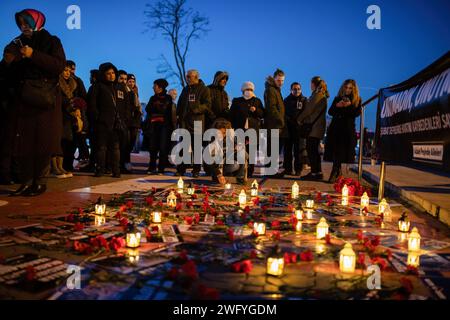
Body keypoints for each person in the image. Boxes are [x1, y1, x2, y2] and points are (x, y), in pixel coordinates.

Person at [1, 9, 66, 196]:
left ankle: (40, 182)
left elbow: (58, 65)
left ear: (36, 21)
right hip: (22, 100)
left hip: (43, 101)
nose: (23, 26)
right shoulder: (16, 43)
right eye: (20, 23)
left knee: (42, 143)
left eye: (27, 22)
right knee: (23, 145)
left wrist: (32, 54)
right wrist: (8, 61)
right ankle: (27, 181)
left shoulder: (51, 41)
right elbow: (7, 68)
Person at [89, 62, 129, 178]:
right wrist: (97, 118)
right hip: (103, 123)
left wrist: (125, 118)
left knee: (115, 148)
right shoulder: (98, 86)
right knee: (102, 147)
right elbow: (92, 105)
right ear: (103, 74)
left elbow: (127, 105)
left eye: (113, 73)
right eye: (108, 73)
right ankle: (100, 169)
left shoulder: (120, 87)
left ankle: (116, 170)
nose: (111, 75)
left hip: (118, 123)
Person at [176, 69, 213, 177]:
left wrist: (196, 110)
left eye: (189, 77)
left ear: (196, 77)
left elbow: (207, 105)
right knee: (184, 146)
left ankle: (196, 170)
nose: (187, 78)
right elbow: (180, 103)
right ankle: (181, 169)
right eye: (187, 76)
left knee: (196, 147)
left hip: (197, 122)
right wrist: (178, 115)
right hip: (185, 122)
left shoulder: (204, 89)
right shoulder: (186, 89)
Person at [324, 79, 362, 183]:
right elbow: (330, 111)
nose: (348, 90)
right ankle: (336, 172)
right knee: (336, 151)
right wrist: (338, 105)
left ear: (354, 89)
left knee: (341, 151)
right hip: (335, 127)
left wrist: (348, 106)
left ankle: (335, 172)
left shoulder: (357, 100)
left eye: (350, 88)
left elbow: (356, 113)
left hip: (347, 129)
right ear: (343, 87)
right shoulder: (337, 98)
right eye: (346, 87)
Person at [230, 81, 264, 177]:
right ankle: (238, 170)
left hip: (252, 130)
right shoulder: (237, 101)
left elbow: (262, 114)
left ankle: (249, 171)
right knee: (239, 150)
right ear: (243, 90)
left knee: (251, 151)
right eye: (247, 89)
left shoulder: (257, 101)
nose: (248, 91)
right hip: (239, 129)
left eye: (250, 89)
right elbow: (232, 114)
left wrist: (256, 110)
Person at [297, 76, 329, 181]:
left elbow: (308, 110)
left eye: (311, 83)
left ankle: (315, 173)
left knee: (312, 150)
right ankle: (317, 172)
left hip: (314, 127)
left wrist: (300, 119)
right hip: (317, 127)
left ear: (314, 84)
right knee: (314, 150)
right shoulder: (320, 94)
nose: (310, 85)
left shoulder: (317, 95)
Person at [143, 79, 174, 174]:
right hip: (153, 126)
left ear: (160, 87)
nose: (153, 87)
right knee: (153, 148)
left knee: (163, 147)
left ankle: (161, 169)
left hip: (164, 127)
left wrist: (157, 108)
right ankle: (151, 167)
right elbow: (148, 109)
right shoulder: (152, 98)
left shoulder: (168, 98)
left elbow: (165, 110)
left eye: (155, 86)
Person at [204, 118, 247, 185]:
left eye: (224, 133)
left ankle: (240, 178)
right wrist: (218, 174)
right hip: (215, 165)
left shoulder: (230, 137)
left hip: (226, 161)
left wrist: (237, 147)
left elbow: (243, 150)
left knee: (242, 154)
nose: (221, 135)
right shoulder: (210, 141)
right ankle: (216, 175)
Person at [264, 68, 287, 177]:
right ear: (274, 79)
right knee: (272, 149)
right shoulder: (271, 90)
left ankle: (272, 170)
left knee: (274, 149)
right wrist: (281, 120)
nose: (281, 83)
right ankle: (271, 171)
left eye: (282, 80)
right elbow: (272, 107)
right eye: (278, 80)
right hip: (274, 125)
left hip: (276, 125)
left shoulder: (276, 90)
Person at [283, 82, 308, 176]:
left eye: (298, 89)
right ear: (291, 90)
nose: (296, 90)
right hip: (289, 129)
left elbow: (306, 113)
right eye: (294, 89)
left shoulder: (304, 100)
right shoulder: (286, 100)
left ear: (301, 90)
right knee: (287, 151)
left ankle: (298, 169)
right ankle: (288, 169)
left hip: (299, 130)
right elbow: (284, 113)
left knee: (298, 151)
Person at [126, 74, 142, 155]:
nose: (131, 83)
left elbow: (138, 106)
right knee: (127, 142)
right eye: (129, 81)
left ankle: (126, 159)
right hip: (129, 121)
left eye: (133, 82)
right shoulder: (126, 92)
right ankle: (125, 160)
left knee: (132, 141)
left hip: (135, 121)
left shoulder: (135, 92)